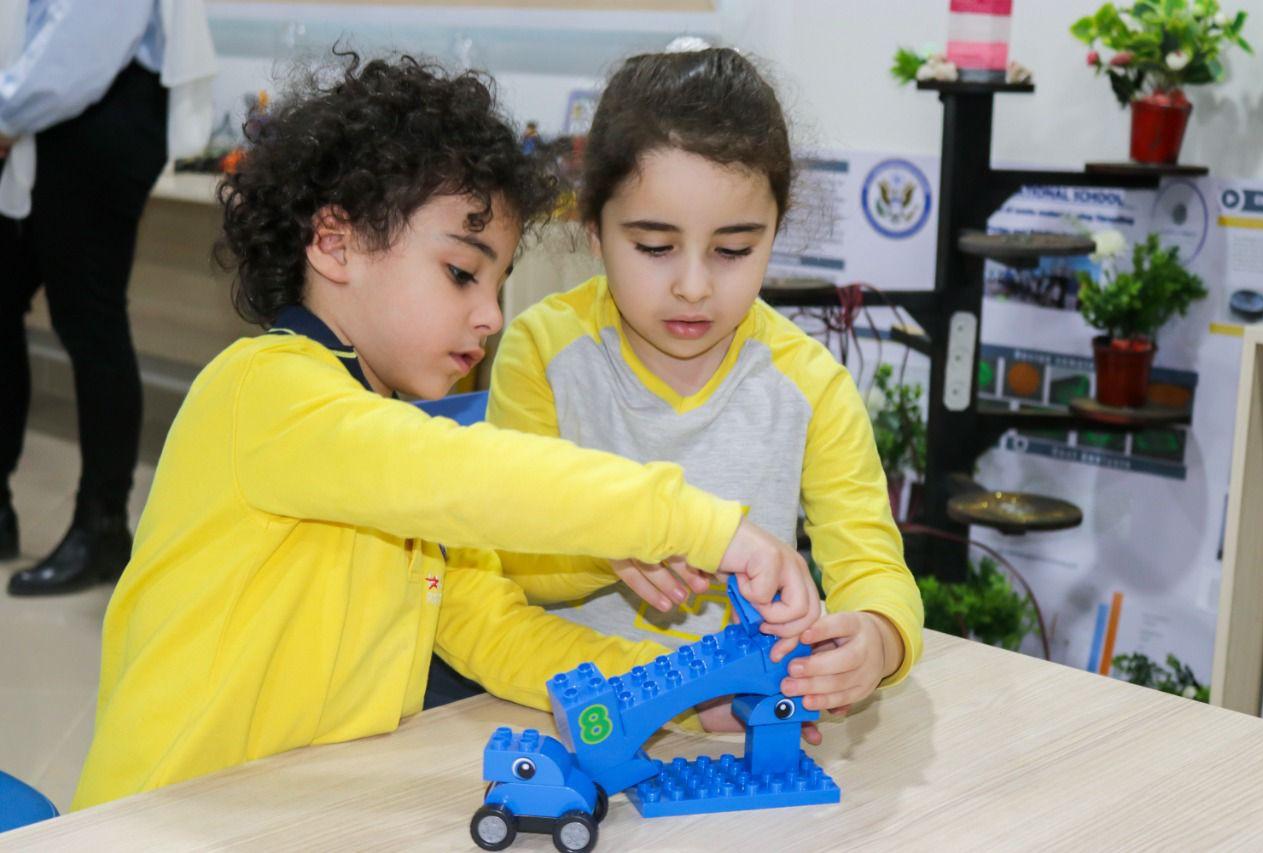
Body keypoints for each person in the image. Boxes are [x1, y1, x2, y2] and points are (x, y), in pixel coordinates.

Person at [71, 53, 820, 810]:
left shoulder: (387, 450)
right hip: (153, 819)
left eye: (498, 284)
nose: (492, 315)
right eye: (463, 273)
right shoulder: (265, 394)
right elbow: (471, 475)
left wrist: (693, 690)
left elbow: (495, 629)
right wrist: (707, 526)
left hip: (291, 813)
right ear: (335, 244)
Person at [487, 47, 924, 738]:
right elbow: (508, 559)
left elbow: (872, 563)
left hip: (742, 732)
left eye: (733, 250)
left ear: (775, 231)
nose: (693, 285)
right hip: (573, 724)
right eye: (655, 247)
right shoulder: (543, 351)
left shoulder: (809, 384)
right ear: (594, 231)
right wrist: (609, 540)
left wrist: (877, 638)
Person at [1, 0, 217, 595]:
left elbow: (80, 46)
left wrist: (7, 110)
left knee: (89, 322)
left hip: (93, 119)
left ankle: (102, 528)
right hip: (46, 121)